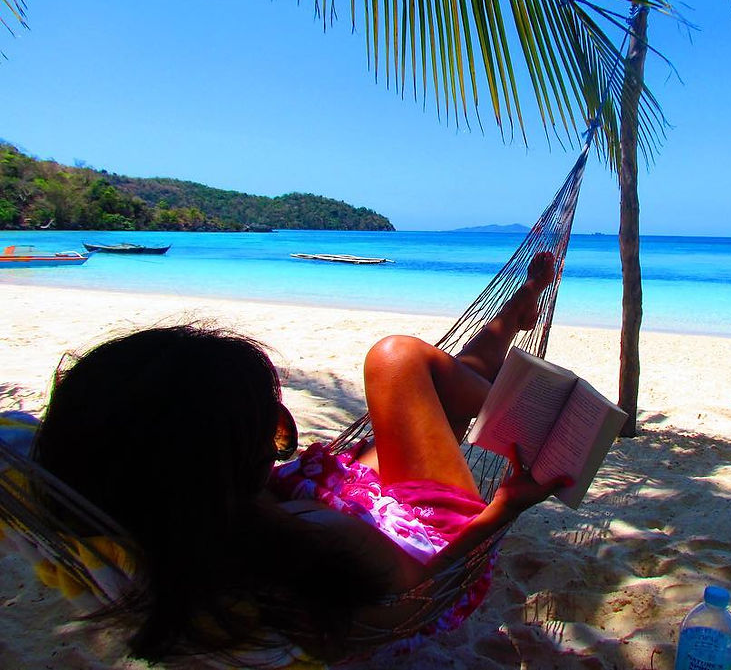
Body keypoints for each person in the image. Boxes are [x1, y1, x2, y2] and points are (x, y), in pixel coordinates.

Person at [32, 252, 568, 663]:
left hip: (347, 508)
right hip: (429, 540)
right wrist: (504, 511)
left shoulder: (154, 510)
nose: (278, 431)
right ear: (222, 463)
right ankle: (538, 413)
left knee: (423, 395)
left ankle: (505, 332)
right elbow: (420, 599)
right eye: (272, 425)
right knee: (399, 360)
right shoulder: (317, 548)